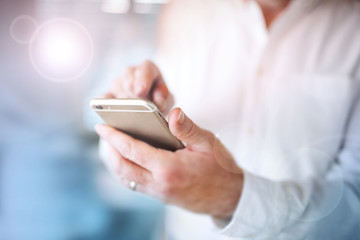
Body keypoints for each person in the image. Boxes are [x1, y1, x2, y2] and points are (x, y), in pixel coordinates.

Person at [95, 0, 360, 239]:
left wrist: (231, 197)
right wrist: (137, 112)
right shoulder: (182, 9)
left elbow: (354, 203)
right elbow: (153, 127)